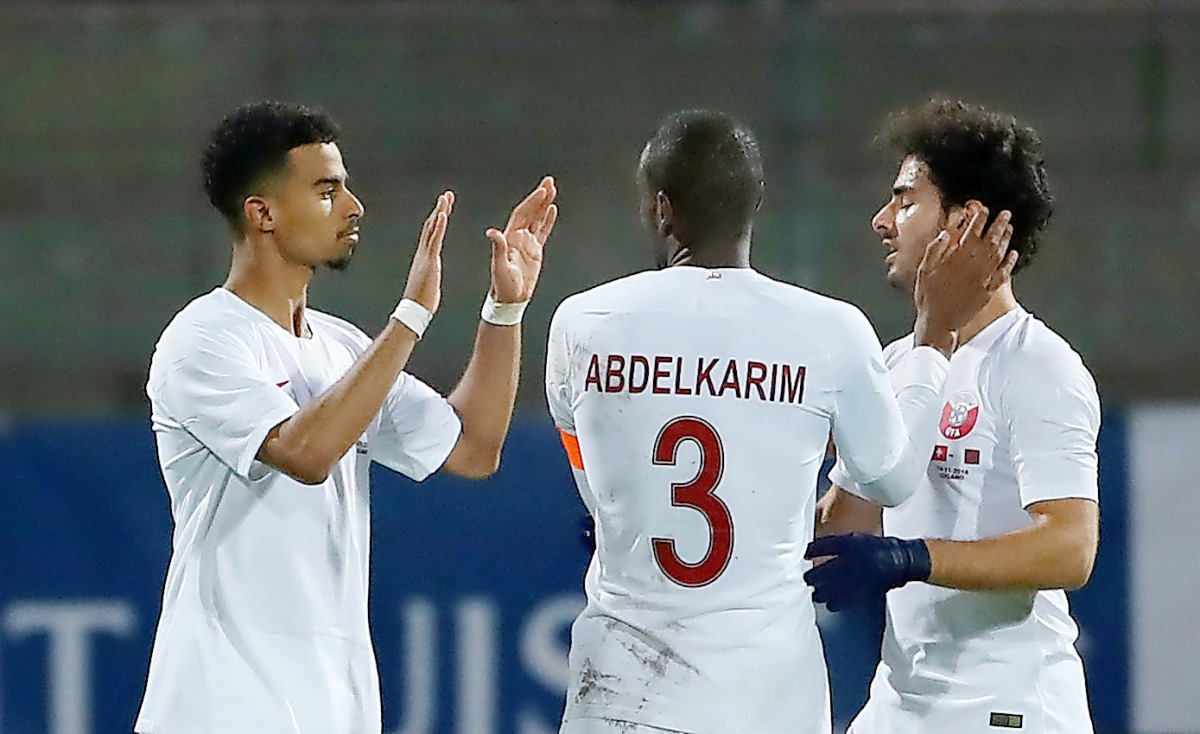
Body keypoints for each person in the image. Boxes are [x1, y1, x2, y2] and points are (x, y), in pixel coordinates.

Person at [544, 109, 1015, 734]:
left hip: (622, 694)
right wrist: (933, 338)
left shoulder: (581, 322)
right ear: (755, 204)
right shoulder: (827, 328)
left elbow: (595, 490)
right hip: (767, 701)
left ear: (660, 208)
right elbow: (894, 480)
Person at [134, 101, 557, 733]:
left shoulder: (342, 348)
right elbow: (305, 453)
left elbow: (472, 448)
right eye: (327, 191)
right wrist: (409, 318)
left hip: (334, 709)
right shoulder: (202, 339)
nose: (354, 207)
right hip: (222, 708)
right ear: (263, 212)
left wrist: (504, 308)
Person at [807, 99, 1100, 734]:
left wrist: (913, 558)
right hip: (901, 706)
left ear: (964, 224)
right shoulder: (897, 364)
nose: (882, 221)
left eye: (905, 200)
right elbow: (843, 524)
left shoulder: (1038, 365)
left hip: (1006, 709)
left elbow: (1071, 547)